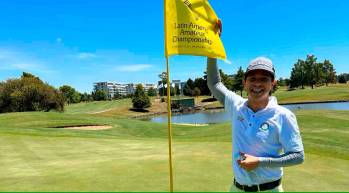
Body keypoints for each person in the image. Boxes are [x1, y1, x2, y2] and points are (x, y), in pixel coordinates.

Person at [206, 56, 305, 192]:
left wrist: (259, 162)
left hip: (269, 190)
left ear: (273, 83)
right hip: (237, 188)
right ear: (245, 83)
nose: (257, 84)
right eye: (252, 79)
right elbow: (214, 83)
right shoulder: (236, 105)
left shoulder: (283, 115)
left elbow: (298, 156)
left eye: (264, 79)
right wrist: (212, 51)